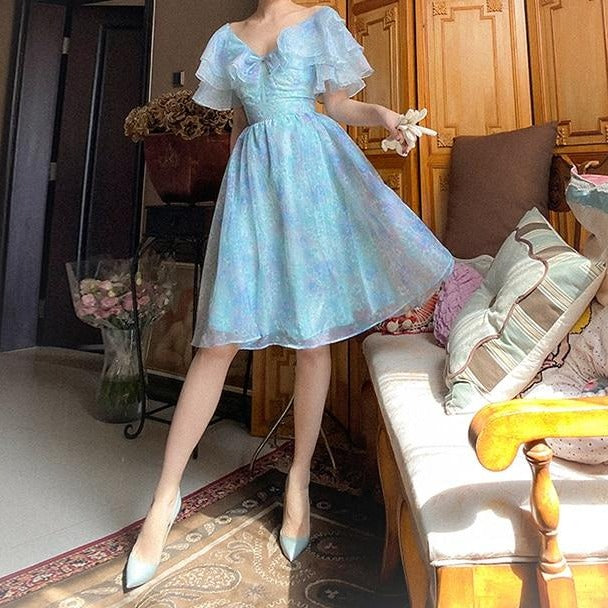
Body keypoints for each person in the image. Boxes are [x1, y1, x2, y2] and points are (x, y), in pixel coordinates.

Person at [123, 0, 454, 591]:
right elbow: (238, 127)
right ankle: (163, 500)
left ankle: (298, 479)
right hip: (253, 187)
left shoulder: (320, 20)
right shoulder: (226, 38)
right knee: (218, 342)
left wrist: (385, 116)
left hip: (313, 180)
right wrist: (239, 198)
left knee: (313, 338)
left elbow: (337, 105)